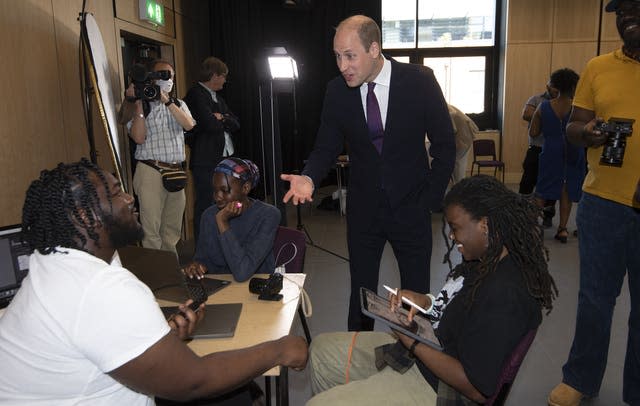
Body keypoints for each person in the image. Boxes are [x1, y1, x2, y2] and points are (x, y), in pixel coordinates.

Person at [0, 159, 307, 404]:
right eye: (117, 192)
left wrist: (162, 340)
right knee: (234, 391)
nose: (130, 198)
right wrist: (279, 350)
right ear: (86, 215)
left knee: (239, 393)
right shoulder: (102, 288)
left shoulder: (54, 263)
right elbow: (194, 380)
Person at [306, 175, 558, 405]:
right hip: (431, 354)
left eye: (455, 227)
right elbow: (460, 308)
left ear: (484, 224)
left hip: (439, 387)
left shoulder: (505, 293)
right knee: (320, 351)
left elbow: (477, 388)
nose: (451, 236)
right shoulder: (486, 259)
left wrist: (412, 342)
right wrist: (425, 302)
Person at [281, 15, 456, 331]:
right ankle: (355, 356)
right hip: (363, 211)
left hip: (412, 208)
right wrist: (308, 176)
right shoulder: (337, 91)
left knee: (414, 296)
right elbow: (325, 146)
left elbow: (445, 144)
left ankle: (414, 361)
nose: (342, 65)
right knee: (361, 294)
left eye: (350, 55)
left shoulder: (419, 81)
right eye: (337, 56)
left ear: (374, 49)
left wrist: (431, 198)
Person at [548, 1, 640, 405]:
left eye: (636, 7)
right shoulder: (599, 67)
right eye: (621, 11)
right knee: (594, 299)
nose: (626, 16)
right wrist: (587, 132)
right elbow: (573, 126)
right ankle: (580, 380)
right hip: (603, 203)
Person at [123, 59, 196, 254]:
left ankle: (170, 273)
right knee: (150, 230)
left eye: (169, 75)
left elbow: (189, 125)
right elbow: (138, 137)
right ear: (151, 78)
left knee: (171, 231)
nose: (166, 79)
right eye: (161, 75)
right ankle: (154, 277)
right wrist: (138, 103)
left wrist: (168, 101)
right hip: (150, 170)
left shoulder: (179, 104)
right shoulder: (143, 105)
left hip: (176, 171)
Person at [183, 157, 280, 282]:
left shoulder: (268, 215)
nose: (218, 197)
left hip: (255, 288)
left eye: (225, 190)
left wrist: (222, 222)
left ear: (245, 188)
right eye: (215, 190)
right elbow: (204, 259)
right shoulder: (209, 215)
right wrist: (198, 266)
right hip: (221, 288)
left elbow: (242, 272)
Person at [184, 57, 240, 243]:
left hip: (223, 159)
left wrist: (221, 118)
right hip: (206, 160)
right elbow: (209, 124)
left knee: (224, 202)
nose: (225, 81)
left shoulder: (218, 98)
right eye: (223, 76)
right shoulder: (196, 94)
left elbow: (236, 123)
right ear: (214, 75)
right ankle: (203, 247)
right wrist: (220, 120)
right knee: (206, 204)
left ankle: (219, 243)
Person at [529, 68, 583, 243]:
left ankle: (534, 228)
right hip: (573, 149)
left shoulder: (543, 106)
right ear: (574, 86)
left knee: (543, 189)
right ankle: (562, 229)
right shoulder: (578, 107)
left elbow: (534, 132)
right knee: (566, 190)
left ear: (556, 86)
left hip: (551, 149)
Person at [519, 82, 559, 228]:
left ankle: (548, 215)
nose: (557, 90)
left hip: (554, 150)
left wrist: (541, 116)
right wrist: (550, 115)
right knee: (527, 181)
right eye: (555, 86)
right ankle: (522, 213)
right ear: (548, 86)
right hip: (536, 148)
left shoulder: (565, 102)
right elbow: (526, 114)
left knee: (551, 184)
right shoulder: (535, 100)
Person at [448, 104, 479, 184]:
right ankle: (459, 186)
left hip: (463, 134)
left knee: (457, 164)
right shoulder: (439, 103)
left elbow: (452, 127)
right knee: (458, 164)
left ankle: (459, 188)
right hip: (464, 132)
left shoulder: (437, 106)